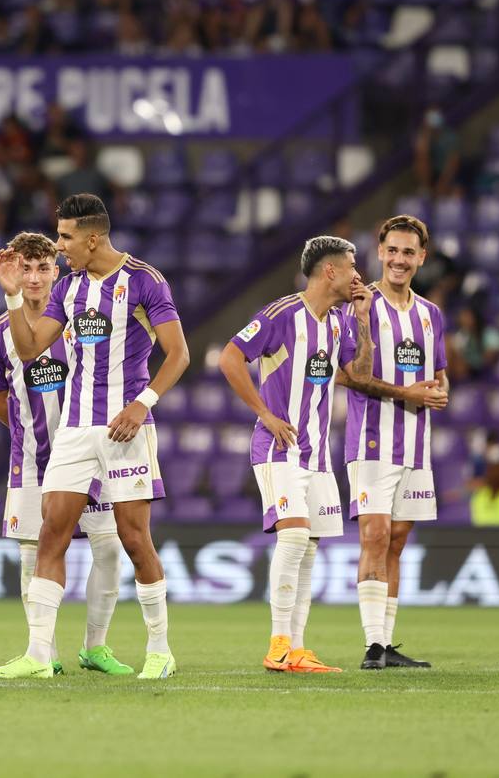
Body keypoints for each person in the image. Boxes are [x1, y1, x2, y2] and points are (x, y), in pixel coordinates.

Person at [0, 194, 190, 680]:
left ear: (93, 238)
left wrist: (143, 404)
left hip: (125, 428)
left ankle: (160, 649)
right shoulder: (70, 287)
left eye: (66, 238)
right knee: (51, 534)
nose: (60, 247)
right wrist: (13, 295)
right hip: (74, 431)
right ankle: (38, 654)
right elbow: (32, 345)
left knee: (134, 538)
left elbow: (178, 354)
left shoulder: (144, 281)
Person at [0, 231, 131, 676]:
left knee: (107, 548)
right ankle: (42, 651)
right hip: (32, 462)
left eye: (43, 267)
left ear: (57, 270)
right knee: (34, 552)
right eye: (24, 268)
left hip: (93, 455)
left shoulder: (78, 321)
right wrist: (31, 432)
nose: (33, 277)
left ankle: (96, 647)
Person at [219, 236, 370, 674]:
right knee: (294, 537)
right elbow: (230, 358)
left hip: (318, 457)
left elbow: (356, 374)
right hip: (279, 448)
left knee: (309, 550)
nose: (357, 275)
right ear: (330, 272)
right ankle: (278, 644)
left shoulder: (339, 321)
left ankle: (298, 649)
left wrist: (360, 316)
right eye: (351, 266)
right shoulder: (281, 314)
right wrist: (263, 413)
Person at [336, 215, 449, 669]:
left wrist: (440, 389)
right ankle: (373, 645)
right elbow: (348, 375)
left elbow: (438, 371)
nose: (400, 259)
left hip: (416, 444)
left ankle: (387, 642)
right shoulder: (359, 306)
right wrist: (409, 393)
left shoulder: (430, 314)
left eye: (409, 252)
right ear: (379, 252)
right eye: (393, 250)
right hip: (371, 441)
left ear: (422, 258)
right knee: (376, 534)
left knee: (397, 541)